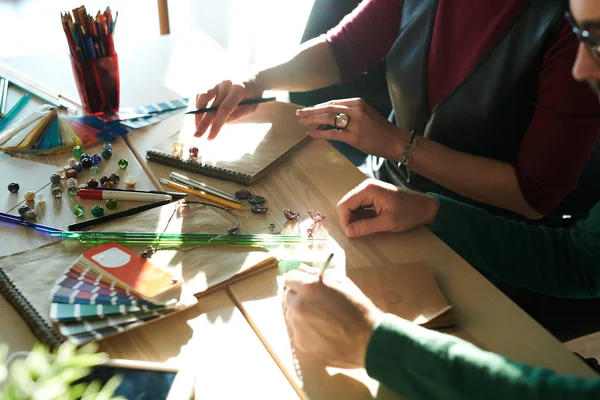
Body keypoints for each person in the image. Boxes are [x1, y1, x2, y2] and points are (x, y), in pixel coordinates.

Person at [281, 1, 600, 397]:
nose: (582, 69)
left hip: (491, 245)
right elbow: (580, 261)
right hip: (410, 205)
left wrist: (375, 344)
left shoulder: (558, 24)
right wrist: (432, 209)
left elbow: (535, 200)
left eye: (596, 42)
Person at [194, 0, 600, 222]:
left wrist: (393, 142)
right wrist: (256, 80)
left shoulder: (577, 26)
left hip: (482, 232)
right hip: (383, 191)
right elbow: (343, 49)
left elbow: (533, 196)